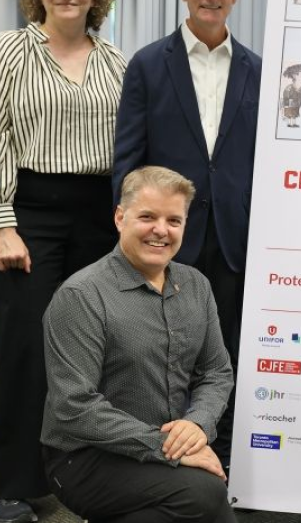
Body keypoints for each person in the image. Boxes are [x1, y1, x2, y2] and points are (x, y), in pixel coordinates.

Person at [113, 0, 262, 470]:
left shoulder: (258, 69)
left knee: (226, 351)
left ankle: (222, 457)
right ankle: (165, 458)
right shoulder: (149, 64)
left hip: (234, 238)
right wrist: (130, 233)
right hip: (166, 238)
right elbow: (128, 158)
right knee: (163, 354)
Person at [0, 0, 125, 522]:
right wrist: (2, 225)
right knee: (23, 345)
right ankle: (11, 483)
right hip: (30, 214)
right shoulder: (9, 52)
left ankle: (88, 479)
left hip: (100, 214)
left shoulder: (117, 61)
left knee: (97, 350)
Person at [41, 166, 235, 523]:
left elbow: (216, 372)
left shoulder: (196, 286)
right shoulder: (81, 295)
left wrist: (197, 425)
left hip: (160, 447)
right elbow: (74, 406)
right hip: (85, 457)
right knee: (204, 493)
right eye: (147, 217)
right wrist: (167, 448)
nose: (161, 230)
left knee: (204, 501)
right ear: (120, 217)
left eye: (173, 220)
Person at [281, 64, 301, 128]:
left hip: (296, 107)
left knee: (294, 115)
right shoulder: (289, 88)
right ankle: (290, 124)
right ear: (295, 76)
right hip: (290, 107)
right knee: (291, 115)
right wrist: (284, 109)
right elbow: (285, 99)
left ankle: (293, 123)